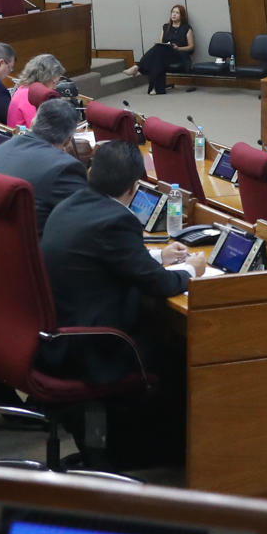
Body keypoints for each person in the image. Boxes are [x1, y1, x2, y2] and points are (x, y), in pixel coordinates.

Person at [39, 139, 213, 468]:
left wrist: (158, 255)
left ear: (92, 171)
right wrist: (193, 268)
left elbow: (109, 255)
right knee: (182, 350)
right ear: (135, 187)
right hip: (96, 345)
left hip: (60, 335)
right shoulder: (117, 221)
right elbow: (161, 284)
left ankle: (115, 446)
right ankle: (164, 453)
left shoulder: (72, 203)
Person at [0, 98, 90, 233]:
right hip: (23, 248)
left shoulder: (3, 147)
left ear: (33, 122)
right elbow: (84, 221)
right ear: (68, 140)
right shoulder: (64, 168)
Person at [127, 4, 194, 95]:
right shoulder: (165, 27)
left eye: (177, 13)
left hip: (179, 54)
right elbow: (160, 43)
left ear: (182, 16)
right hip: (165, 53)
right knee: (158, 55)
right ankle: (157, 89)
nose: (174, 14)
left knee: (158, 55)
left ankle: (139, 68)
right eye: (173, 12)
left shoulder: (186, 28)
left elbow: (191, 47)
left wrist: (178, 48)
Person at [6, 53, 65, 128]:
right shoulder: (30, 97)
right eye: (54, 83)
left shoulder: (23, 88)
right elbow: (39, 129)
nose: (54, 88)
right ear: (46, 78)